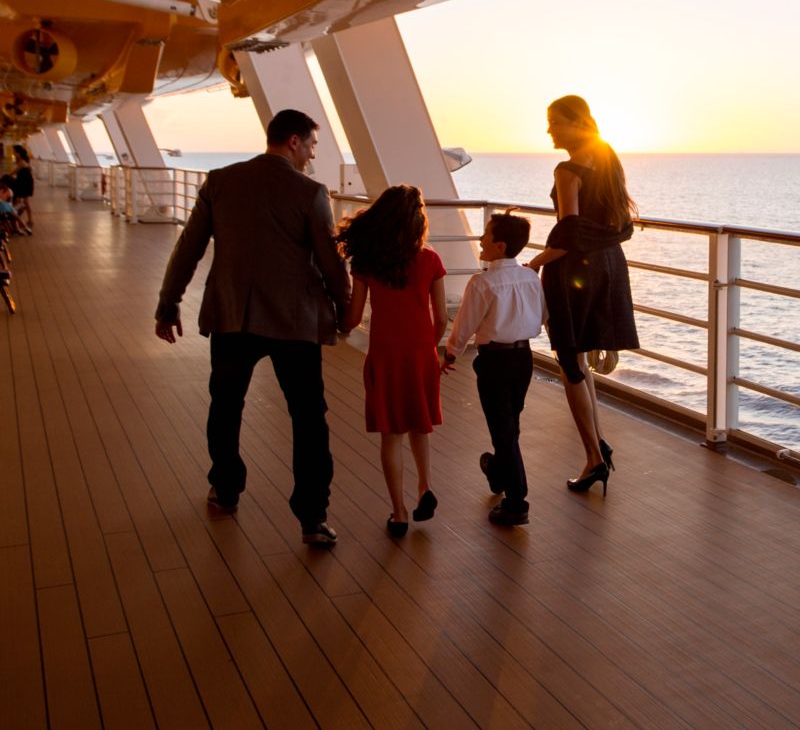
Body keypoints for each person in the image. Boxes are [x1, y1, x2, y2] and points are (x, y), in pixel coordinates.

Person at [154, 109, 350, 547]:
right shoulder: (310, 192)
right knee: (308, 418)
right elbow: (330, 262)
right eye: (312, 146)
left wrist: (168, 304)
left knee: (226, 406)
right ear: (295, 142)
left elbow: (189, 247)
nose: (312, 156)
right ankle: (312, 517)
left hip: (232, 315)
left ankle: (225, 489)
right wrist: (345, 309)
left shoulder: (221, 182)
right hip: (294, 322)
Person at [526, 95, 639, 496]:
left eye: (555, 122)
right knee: (579, 358)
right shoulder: (607, 158)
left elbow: (569, 233)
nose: (549, 130)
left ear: (576, 122)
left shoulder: (567, 170)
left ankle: (593, 458)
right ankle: (599, 444)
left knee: (570, 361)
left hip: (575, 270)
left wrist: (535, 261)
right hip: (609, 264)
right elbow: (614, 221)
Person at [336, 185, 448, 537]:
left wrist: (334, 319)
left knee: (391, 434)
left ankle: (399, 514)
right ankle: (425, 486)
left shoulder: (367, 262)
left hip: (385, 354)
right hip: (421, 353)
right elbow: (442, 318)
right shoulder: (430, 259)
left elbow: (354, 317)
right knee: (419, 425)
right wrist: (430, 348)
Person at [442, 211, 545, 526]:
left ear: (499, 246)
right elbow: (542, 316)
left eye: (485, 234)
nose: (480, 239)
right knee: (511, 422)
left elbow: (465, 325)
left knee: (502, 428)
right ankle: (498, 472)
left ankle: (516, 502)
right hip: (523, 358)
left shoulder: (482, 282)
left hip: (494, 361)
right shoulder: (531, 277)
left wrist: (450, 354)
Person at [12, 145, 34, 229]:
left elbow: (14, 172)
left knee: (23, 201)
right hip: (23, 182)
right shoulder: (22, 161)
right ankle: (24, 220)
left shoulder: (22, 162)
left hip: (25, 183)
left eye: (14, 152)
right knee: (21, 201)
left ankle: (26, 220)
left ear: (18, 153)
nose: (13, 153)